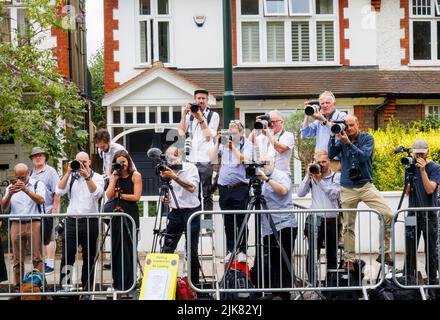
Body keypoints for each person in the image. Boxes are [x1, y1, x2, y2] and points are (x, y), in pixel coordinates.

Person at [328, 115, 393, 271]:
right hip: (347, 187)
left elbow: (363, 157)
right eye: (346, 126)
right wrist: (333, 136)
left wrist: (348, 143)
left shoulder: (367, 138)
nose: (349, 128)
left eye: (352, 125)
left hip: (365, 185)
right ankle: (349, 259)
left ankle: (384, 252)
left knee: (387, 214)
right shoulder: (342, 138)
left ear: (358, 124)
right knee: (348, 226)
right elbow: (330, 155)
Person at [56, 152, 104, 291]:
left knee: (89, 258)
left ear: (89, 162)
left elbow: (97, 194)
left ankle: (87, 288)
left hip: (90, 222)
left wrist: (87, 177)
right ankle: (66, 286)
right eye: (79, 161)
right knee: (67, 257)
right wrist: (68, 172)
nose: (82, 164)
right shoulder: (70, 177)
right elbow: (59, 191)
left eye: (85, 161)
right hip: (71, 222)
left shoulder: (98, 177)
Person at [209, 120, 252, 263]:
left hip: (240, 187)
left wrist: (232, 147)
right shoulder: (223, 144)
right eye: (230, 133)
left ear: (241, 133)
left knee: (241, 221)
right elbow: (212, 159)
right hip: (224, 188)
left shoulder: (247, 144)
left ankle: (242, 250)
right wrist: (217, 141)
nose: (231, 135)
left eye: (234, 133)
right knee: (228, 221)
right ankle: (231, 250)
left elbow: (244, 160)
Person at [297, 150, 341, 285]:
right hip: (315, 219)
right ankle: (312, 283)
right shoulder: (313, 177)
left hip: (332, 220)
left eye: (324, 162)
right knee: (312, 254)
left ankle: (331, 283)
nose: (321, 165)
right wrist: (307, 176)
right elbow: (300, 193)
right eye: (318, 162)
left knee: (332, 254)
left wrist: (319, 180)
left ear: (329, 161)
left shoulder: (337, 177)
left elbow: (334, 195)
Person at [257, 155, 297, 300]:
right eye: (261, 163)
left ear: (273, 162)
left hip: (284, 225)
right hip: (268, 227)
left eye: (267, 163)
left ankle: (284, 294)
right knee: (273, 261)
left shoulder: (281, 175)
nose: (264, 166)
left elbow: (283, 191)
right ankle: (275, 293)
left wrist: (267, 180)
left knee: (283, 260)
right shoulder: (259, 180)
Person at [159, 146, 201, 285]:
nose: (171, 162)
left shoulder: (190, 168)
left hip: (191, 212)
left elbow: (191, 188)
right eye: (169, 159)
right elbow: (169, 190)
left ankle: (194, 285)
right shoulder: (167, 170)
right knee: (168, 247)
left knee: (192, 250)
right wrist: (167, 196)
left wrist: (175, 177)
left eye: (173, 158)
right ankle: (165, 284)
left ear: (180, 156)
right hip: (175, 212)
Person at [1, 163, 45, 289]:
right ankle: (18, 288)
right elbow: (3, 206)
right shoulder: (11, 187)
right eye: (17, 178)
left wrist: (26, 189)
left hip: (33, 222)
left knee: (37, 257)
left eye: (23, 178)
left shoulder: (37, 184)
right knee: (17, 259)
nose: (20, 181)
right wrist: (9, 194)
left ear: (28, 174)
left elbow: (41, 200)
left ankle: (37, 286)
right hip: (16, 223)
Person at [178, 89, 219, 218]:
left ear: (207, 100)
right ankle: (194, 220)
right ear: (195, 99)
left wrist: (200, 118)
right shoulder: (189, 115)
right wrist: (184, 114)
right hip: (191, 159)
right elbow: (181, 132)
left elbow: (208, 136)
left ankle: (207, 222)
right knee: (192, 191)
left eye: (203, 99)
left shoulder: (213, 115)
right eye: (199, 98)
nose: (201, 101)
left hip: (205, 158)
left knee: (206, 193)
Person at [404, 139, 440, 284]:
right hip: (413, 213)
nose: (419, 156)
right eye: (416, 153)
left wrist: (422, 171)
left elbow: (430, 189)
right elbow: (407, 191)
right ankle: (408, 280)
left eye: (421, 154)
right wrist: (410, 174)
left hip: (429, 215)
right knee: (410, 250)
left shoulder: (435, 167)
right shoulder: (409, 166)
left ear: (427, 152)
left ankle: (431, 281)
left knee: (430, 251)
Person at [105, 150, 142, 292]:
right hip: (117, 214)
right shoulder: (114, 176)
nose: (122, 165)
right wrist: (113, 180)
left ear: (128, 162)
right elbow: (108, 196)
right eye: (118, 162)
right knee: (116, 247)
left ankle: (130, 283)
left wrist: (120, 195)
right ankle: (117, 283)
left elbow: (136, 196)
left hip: (130, 214)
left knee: (129, 248)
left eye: (124, 161)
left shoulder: (135, 175)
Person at [29, 147, 60, 275]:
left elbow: (57, 192)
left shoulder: (50, 171)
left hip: (48, 210)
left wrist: (54, 209)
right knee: (39, 239)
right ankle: (42, 264)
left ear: (45, 157)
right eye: (35, 156)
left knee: (50, 238)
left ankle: (50, 264)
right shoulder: (31, 173)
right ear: (32, 159)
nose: (38, 157)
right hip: (36, 212)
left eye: (40, 155)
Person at [301, 91, 346, 172]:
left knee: (333, 184)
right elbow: (306, 133)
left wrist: (322, 119)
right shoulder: (319, 120)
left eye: (327, 103)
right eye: (322, 103)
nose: (325, 105)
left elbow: (336, 131)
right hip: (319, 160)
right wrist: (307, 114)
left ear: (334, 103)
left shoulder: (341, 115)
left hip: (334, 161)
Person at [248, 110, 295, 176]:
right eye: (270, 122)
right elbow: (249, 143)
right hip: (264, 176)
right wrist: (257, 126)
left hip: (281, 177)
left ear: (282, 122)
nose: (271, 124)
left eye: (274, 122)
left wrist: (268, 134)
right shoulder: (262, 135)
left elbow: (281, 149)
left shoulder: (287, 135)